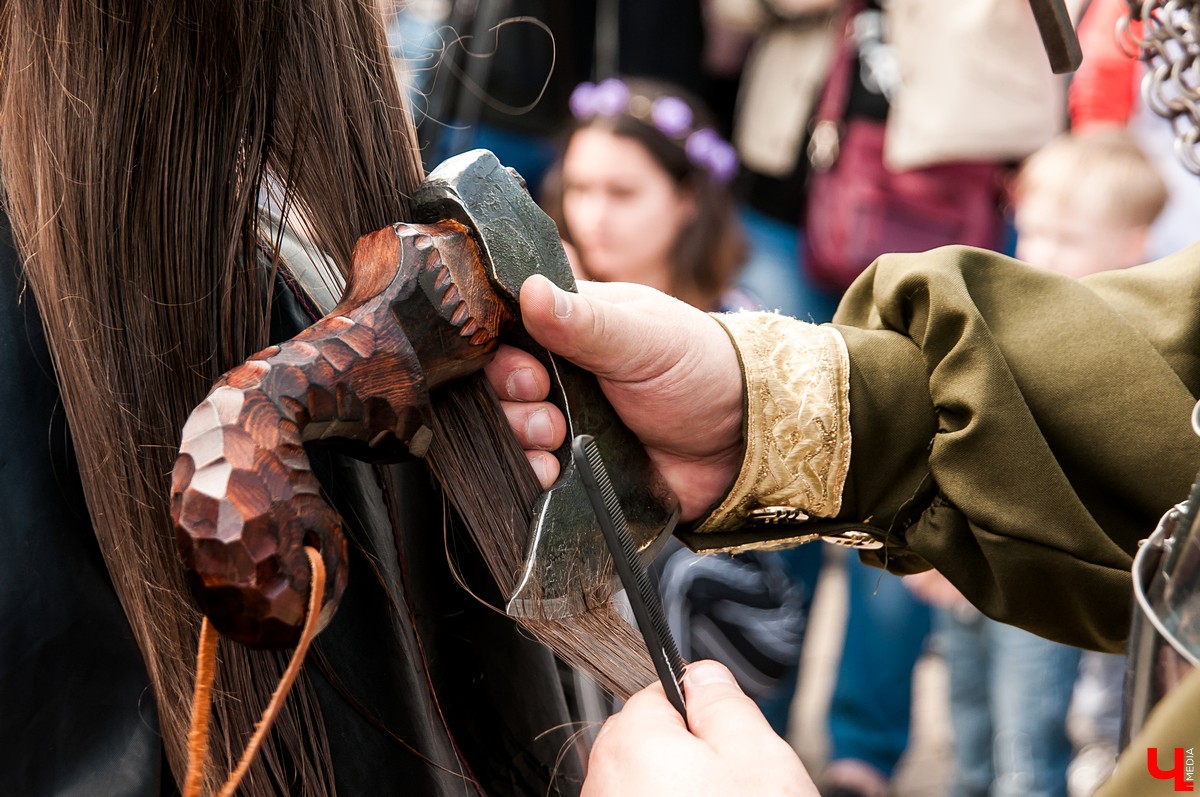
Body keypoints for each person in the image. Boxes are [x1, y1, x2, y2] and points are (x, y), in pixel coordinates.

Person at [542, 76, 822, 729]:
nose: (594, 216)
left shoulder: (741, 329)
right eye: (579, 189)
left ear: (688, 198)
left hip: (714, 615)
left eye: (623, 193)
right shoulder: (552, 306)